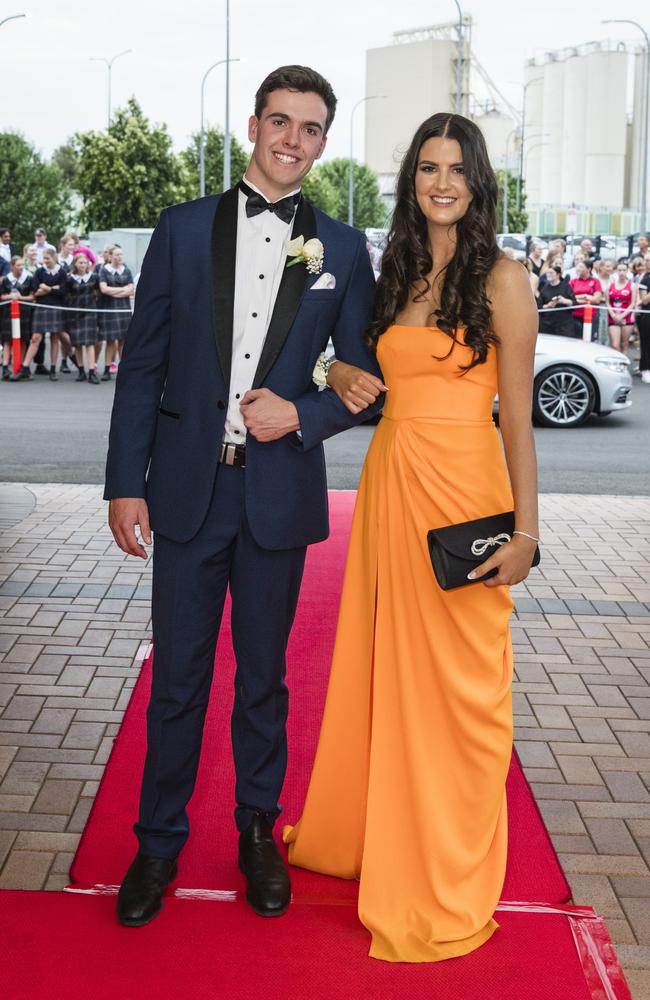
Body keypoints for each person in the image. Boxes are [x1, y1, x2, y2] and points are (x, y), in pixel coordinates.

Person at [104, 64, 384, 930]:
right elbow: (142, 365)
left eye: (310, 128)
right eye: (280, 122)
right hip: (186, 493)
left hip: (277, 496)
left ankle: (258, 831)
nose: (292, 140)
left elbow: (364, 381)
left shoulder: (342, 250)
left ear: (324, 142)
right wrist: (125, 483)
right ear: (253, 125)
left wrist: (296, 417)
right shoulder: (183, 230)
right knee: (178, 681)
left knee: (263, 680)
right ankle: (157, 843)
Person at [284, 112, 540, 963]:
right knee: (388, 674)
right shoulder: (391, 271)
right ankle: (382, 837)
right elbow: (363, 373)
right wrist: (337, 372)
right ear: (411, 180)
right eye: (428, 167)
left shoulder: (504, 279)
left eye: (456, 169)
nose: (441, 182)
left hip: (466, 493)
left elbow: (520, 424)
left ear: (478, 181)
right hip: (394, 485)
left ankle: (448, 871)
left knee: (465, 693)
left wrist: (527, 531)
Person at [14, 249, 68, 380]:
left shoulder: (62, 272)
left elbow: (63, 291)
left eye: (47, 258)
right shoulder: (39, 271)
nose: (45, 260)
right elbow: (35, 292)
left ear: (54, 257)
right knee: (35, 338)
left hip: (56, 307)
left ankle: (53, 369)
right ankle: (25, 368)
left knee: (55, 338)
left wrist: (47, 288)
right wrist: (52, 289)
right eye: (44, 258)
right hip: (41, 307)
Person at [97, 247, 134, 380]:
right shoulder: (104, 270)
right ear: (111, 256)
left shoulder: (127, 270)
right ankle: (107, 369)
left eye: (121, 254)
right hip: (110, 309)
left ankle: (124, 369)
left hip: (123, 309)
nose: (120, 257)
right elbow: (104, 289)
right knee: (111, 341)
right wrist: (122, 290)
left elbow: (130, 290)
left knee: (123, 341)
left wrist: (117, 291)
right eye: (117, 255)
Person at [66, 253, 101, 383]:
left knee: (89, 342)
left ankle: (92, 371)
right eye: (80, 262)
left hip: (90, 312)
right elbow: (66, 294)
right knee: (77, 343)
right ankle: (81, 370)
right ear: (75, 264)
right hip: (75, 313)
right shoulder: (70, 278)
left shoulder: (94, 277)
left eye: (85, 263)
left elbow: (98, 292)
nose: (83, 265)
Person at [1, 256, 34, 379]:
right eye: (18, 265)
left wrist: (21, 298)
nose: (21, 268)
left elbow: (33, 297)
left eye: (22, 265)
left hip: (24, 313)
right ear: (12, 266)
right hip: (8, 313)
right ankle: (5, 367)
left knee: (23, 340)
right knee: (7, 340)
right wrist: (10, 296)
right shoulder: (6, 280)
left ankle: (20, 366)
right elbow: (1, 296)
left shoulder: (29, 279)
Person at [607, 260, 636, 356]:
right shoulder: (610, 285)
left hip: (627, 318)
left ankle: (623, 367)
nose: (622, 272)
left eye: (624, 270)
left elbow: (633, 303)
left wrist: (622, 316)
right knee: (615, 345)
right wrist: (614, 316)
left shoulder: (632, 286)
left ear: (627, 271)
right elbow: (608, 302)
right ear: (616, 271)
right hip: (613, 317)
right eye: (619, 270)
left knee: (624, 344)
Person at [537, 264, 576, 337]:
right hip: (548, 324)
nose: (548, 275)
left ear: (558, 274)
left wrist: (564, 300)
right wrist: (548, 305)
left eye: (551, 273)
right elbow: (539, 307)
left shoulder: (566, 287)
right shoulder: (544, 289)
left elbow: (575, 303)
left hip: (564, 324)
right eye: (547, 273)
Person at [569, 259, 602, 339]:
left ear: (589, 269)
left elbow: (597, 299)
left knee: (589, 339)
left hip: (590, 316)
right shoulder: (573, 281)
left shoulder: (595, 281)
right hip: (574, 316)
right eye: (577, 267)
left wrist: (580, 297)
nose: (578, 269)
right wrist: (587, 297)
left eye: (581, 267)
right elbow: (570, 299)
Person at [636, 255, 650, 382]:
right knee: (646, 343)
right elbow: (644, 300)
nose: (648, 263)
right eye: (647, 260)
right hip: (647, 314)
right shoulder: (645, 279)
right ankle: (645, 369)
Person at [594, 259, 614, 344]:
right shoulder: (595, 279)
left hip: (612, 309)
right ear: (601, 268)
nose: (610, 268)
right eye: (607, 266)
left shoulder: (614, 279)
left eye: (611, 266)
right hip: (599, 309)